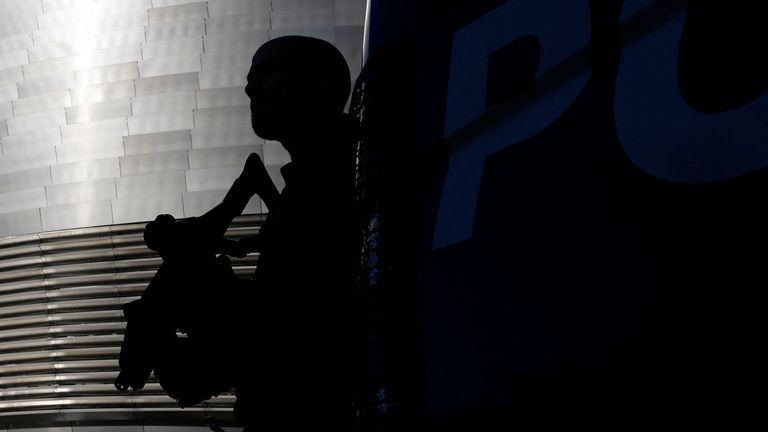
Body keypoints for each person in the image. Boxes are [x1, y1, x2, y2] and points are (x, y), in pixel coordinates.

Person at [234, 35, 359, 431]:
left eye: (268, 71)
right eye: (251, 77)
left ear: (320, 79)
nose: (250, 87)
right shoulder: (303, 185)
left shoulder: (355, 168)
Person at [115, 152, 274, 407]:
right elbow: (142, 320)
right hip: (228, 328)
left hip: (237, 320)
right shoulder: (176, 263)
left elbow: (142, 320)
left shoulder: (187, 243)